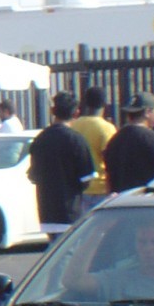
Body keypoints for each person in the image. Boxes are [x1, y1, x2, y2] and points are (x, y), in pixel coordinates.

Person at [63, 215, 154, 304]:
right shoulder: (117, 280)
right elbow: (72, 281)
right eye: (142, 242)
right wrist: (99, 231)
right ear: (135, 245)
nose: (148, 248)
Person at [26, 92, 96, 235]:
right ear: (76, 112)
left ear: (53, 112)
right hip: (70, 211)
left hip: (46, 210)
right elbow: (87, 178)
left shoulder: (40, 139)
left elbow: (33, 175)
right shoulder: (77, 140)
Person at [103, 91, 154, 193]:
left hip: (120, 201)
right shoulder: (152, 138)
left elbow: (108, 176)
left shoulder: (115, 139)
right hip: (145, 200)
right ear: (147, 112)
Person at [69, 85, 116, 210]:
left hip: (80, 187)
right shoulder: (106, 128)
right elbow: (110, 160)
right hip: (101, 187)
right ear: (104, 104)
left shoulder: (75, 125)